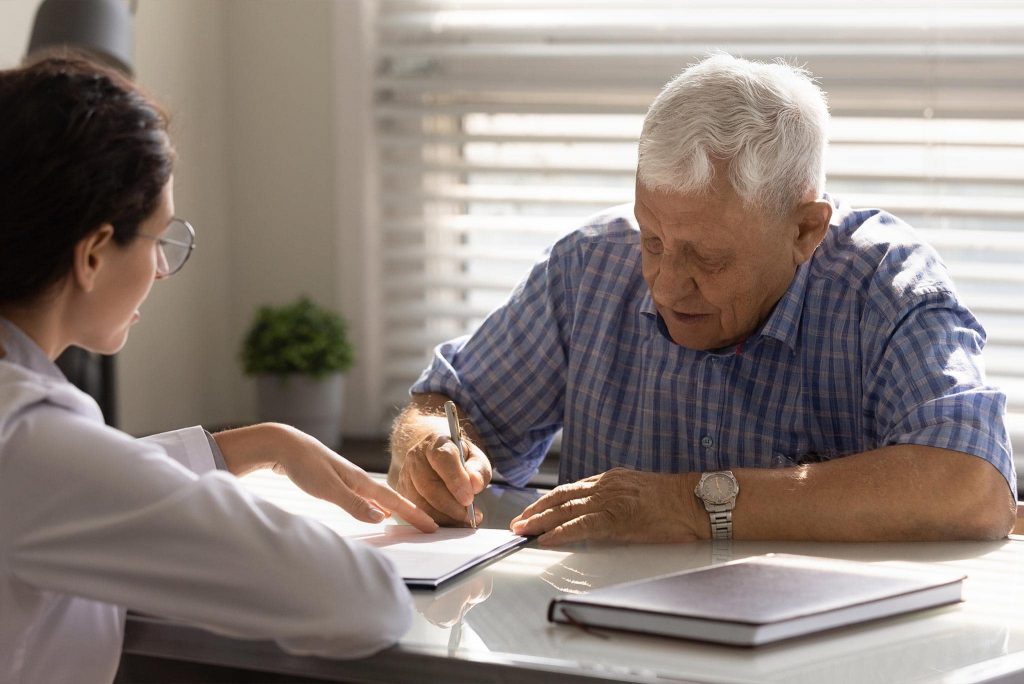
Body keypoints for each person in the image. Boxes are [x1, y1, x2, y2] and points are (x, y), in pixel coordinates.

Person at [388, 53, 1017, 546]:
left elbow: (971, 486)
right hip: (595, 645)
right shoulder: (589, 264)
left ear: (806, 230)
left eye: (707, 257)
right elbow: (449, 405)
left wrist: (689, 502)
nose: (664, 284)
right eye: (654, 239)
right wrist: (430, 451)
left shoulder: (885, 284)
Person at [0, 56, 438, 684]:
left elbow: (79, 487)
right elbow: (361, 604)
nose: (159, 270)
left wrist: (257, 445)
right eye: (159, 240)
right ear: (94, 253)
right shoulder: (27, 440)